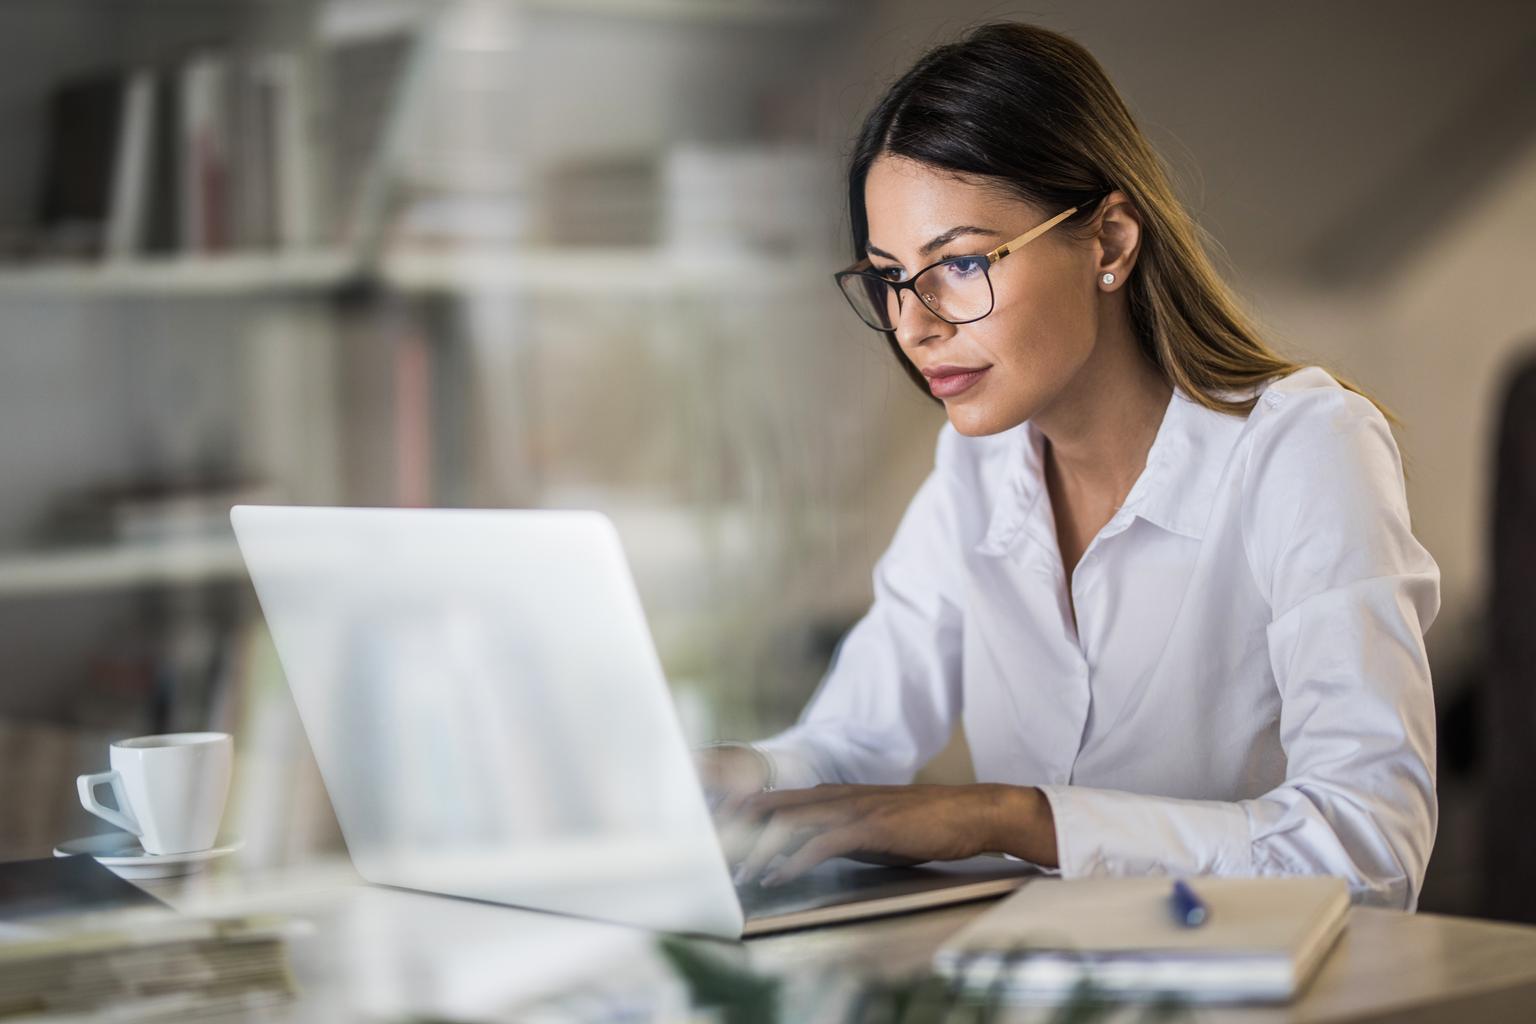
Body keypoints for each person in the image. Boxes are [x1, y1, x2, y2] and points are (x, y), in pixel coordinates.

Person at [697, 20, 1438, 911]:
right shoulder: (977, 473)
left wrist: (1014, 819)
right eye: (891, 278)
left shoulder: (1305, 448)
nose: (915, 324)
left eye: (962, 263)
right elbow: (856, 741)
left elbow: (1372, 848)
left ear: (1111, 243)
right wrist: (738, 776)